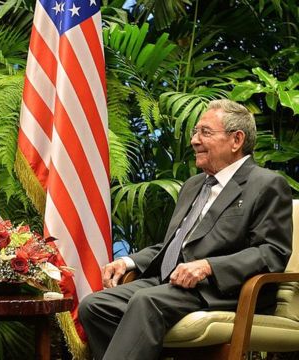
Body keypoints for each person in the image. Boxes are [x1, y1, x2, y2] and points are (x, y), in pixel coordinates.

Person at [78, 99, 293, 360]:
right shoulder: (193, 185)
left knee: (146, 302)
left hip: (220, 290)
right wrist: (128, 261)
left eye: (205, 132)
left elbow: (272, 253)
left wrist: (209, 266)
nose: (194, 140)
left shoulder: (266, 184)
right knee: (95, 306)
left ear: (236, 140)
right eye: (195, 132)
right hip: (170, 284)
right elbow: (175, 244)